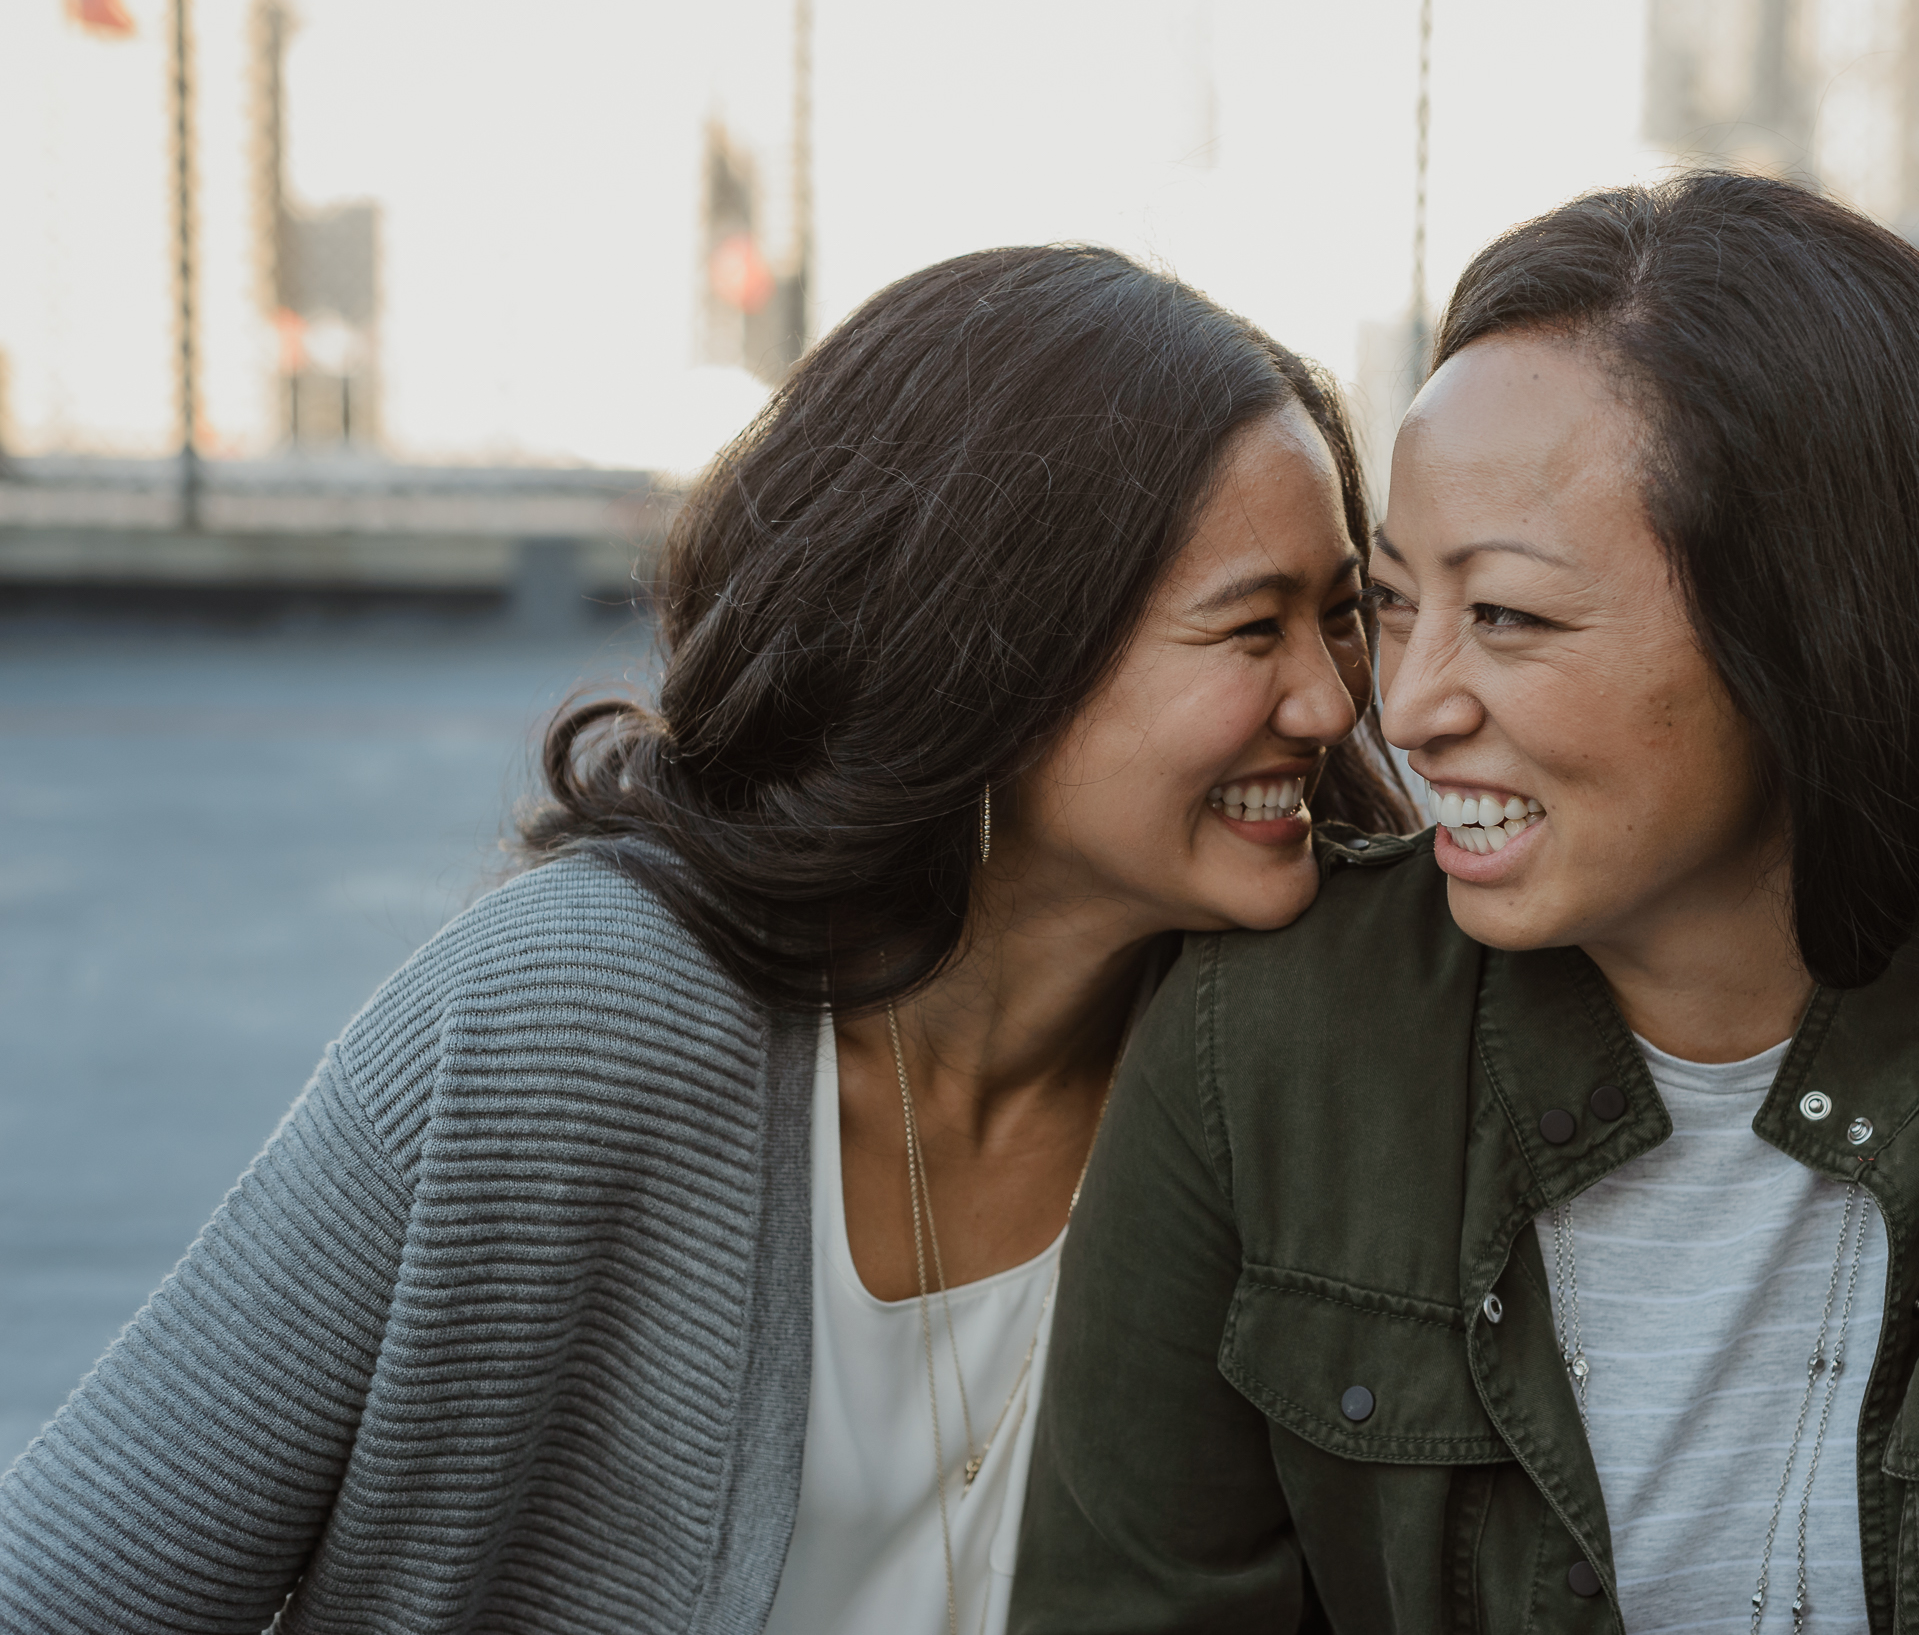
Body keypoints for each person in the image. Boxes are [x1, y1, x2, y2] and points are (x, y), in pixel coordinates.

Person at [1012, 175, 1919, 1634]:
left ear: (1809, 628)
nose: (1411, 704)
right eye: (1397, 602)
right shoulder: (1261, 1037)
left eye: (1507, 614)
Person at [0, 244, 1411, 1635]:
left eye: (1341, 614)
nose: (1329, 700)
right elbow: (68, 1587)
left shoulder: (1307, 1057)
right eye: (1251, 629)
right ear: (1006, 652)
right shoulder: (565, 1022)